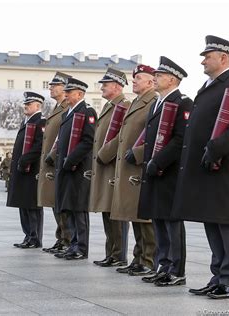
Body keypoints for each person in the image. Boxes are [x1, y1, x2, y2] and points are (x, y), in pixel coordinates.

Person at [172, 35, 229, 299]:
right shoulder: (210, 85)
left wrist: (216, 148)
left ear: (223, 57)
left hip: (225, 166)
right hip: (207, 166)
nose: (203, 61)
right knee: (211, 221)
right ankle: (218, 276)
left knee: (226, 224)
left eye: (207, 56)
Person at [137, 56, 193, 287]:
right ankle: (163, 265)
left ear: (172, 79)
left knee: (171, 222)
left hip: (169, 172)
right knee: (158, 219)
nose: (155, 79)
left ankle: (176, 270)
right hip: (154, 170)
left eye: (159, 76)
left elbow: (181, 139)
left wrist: (158, 162)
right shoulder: (157, 103)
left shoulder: (183, 103)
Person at [111, 65, 158, 276]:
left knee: (145, 219)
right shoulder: (136, 102)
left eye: (138, 78)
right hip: (129, 165)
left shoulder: (153, 102)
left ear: (150, 82)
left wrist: (138, 153)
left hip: (139, 164)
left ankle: (148, 260)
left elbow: (154, 134)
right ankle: (138, 258)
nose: (134, 81)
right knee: (133, 214)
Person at [50, 78, 97, 260]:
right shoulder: (67, 114)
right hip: (65, 167)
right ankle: (72, 244)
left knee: (78, 208)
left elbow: (87, 140)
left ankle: (81, 247)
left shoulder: (87, 112)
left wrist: (71, 159)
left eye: (70, 92)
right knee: (67, 207)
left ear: (80, 94)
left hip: (77, 167)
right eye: (66, 91)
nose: (66, 94)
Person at [89, 68, 130, 268]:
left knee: (116, 212)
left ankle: (119, 254)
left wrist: (104, 154)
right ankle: (111, 253)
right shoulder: (109, 106)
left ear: (116, 86)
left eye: (105, 84)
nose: (102, 87)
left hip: (112, 166)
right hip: (104, 166)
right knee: (107, 211)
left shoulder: (124, 105)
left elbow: (122, 135)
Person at [38, 72, 72, 254]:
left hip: (59, 159)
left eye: (54, 85)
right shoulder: (57, 107)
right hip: (51, 160)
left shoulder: (68, 107)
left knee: (61, 203)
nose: (50, 88)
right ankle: (61, 238)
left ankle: (67, 239)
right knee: (54, 201)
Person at [7, 92, 46, 248]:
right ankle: (28, 235)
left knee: (32, 205)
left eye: (29, 104)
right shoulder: (27, 121)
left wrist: (25, 159)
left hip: (32, 170)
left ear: (37, 106)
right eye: (25, 104)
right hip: (22, 169)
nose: (26, 106)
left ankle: (35, 237)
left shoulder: (40, 121)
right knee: (23, 204)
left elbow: (39, 145)